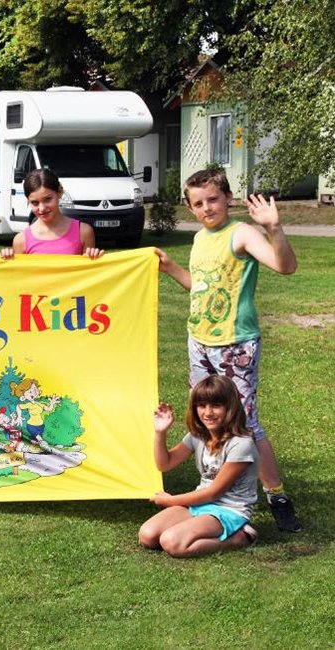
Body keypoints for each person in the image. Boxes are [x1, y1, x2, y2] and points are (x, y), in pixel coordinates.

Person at [156, 168, 301, 533]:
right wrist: (170, 267)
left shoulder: (242, 234)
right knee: (206, 418)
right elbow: (201, 289)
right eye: (198, 203)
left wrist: (274, 228)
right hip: (199, 341)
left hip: (235, 345)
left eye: (213, 200)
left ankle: (276, 495)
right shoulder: (199, 240)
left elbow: (286, 266)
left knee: (245, 423)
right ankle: (215, 487)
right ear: (190, 208)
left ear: (228, 198)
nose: (207, 208)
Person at [139, 375, 260, 557]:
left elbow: (214, 493)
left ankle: (240, 538)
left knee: (172, 543)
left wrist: (170, 500)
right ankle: (195, 528)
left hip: (228, 510)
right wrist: (160, 432)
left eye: (216, 406)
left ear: (231, 407)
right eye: (202, 406)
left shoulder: (241, 444)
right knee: (147, 536)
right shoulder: (198, 436)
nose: (208, 412)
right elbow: (165, 464)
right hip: (199, 504)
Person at [0, 169, 104, 260]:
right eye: (35, 203)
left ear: (60, 192)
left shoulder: (84, 232)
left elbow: (88, 276)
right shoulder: (21, 240)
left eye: (47, 199)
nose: (42, 208)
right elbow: (19, 278)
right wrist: (7, 261)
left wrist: (93, 258)